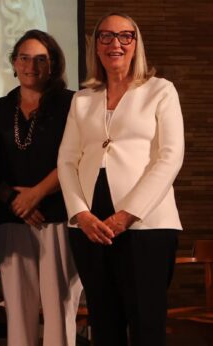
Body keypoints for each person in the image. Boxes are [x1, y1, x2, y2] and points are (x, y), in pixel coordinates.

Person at [58, 12, 184, 346]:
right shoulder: (82, 99)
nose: (116, 43)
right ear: (96, 46)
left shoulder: (160, 90)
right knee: (104, 322)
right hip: (89, 223)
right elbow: (67, 161)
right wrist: (80, 214)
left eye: (125, 36)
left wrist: (127, 214)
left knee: (146, 325)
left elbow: (170, 156)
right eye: (106, 36)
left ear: (136, 43)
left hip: (146, 225)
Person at [0, 29, 82, 346]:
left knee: (59, 308)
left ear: (53, 64)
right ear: (14, 63)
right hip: (9, 220)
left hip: (57, 219)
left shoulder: (73, 105)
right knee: (17, 312)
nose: (32, 65)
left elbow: (79, 157)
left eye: (41, 59)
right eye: (24, 58)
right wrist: (14, 200)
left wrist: (36, 194)